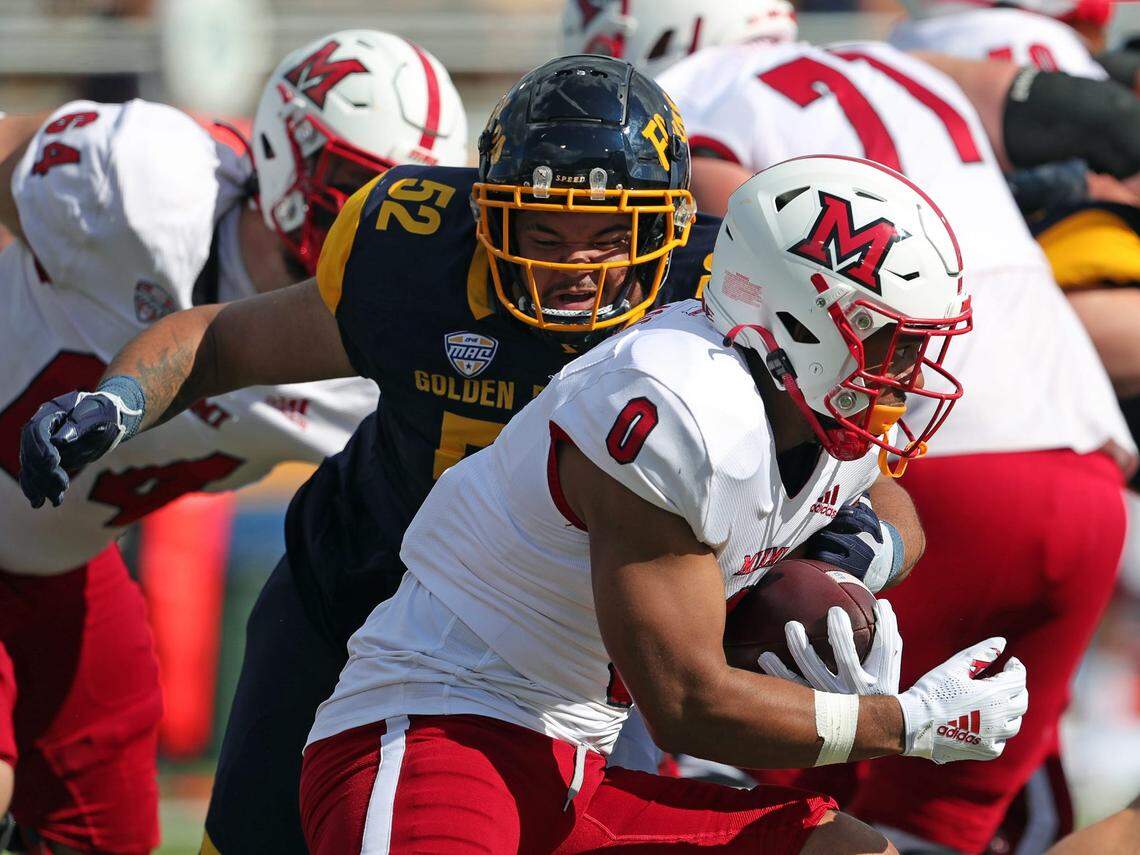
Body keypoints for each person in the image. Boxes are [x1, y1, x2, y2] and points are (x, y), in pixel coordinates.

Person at [16, 55, 721, 855]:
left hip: (571, 656)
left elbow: (846, 483)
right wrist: (122, 398)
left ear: (668, 228)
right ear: (487, 212)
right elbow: (222, 339)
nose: (572, 265)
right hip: (355, 596)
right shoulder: (416, 254)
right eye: (543, 228)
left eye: (608, 233)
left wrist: (844, 556)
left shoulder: (716, 304)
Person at [295, 154, 1030, 854]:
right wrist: (905, 722)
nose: (904, 374)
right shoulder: (675, 400)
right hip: (441, 729)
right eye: (888, 341)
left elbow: (887, 501)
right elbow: (687, 704)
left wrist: (854, 556)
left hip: (573, 766)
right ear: (800, 322)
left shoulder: (809, 396)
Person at [636, 16, 1134, 855]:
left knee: (750, 788)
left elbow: (722, 279)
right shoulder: (905, 69)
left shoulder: (690, 93)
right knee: (945, 830)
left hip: (922, 457)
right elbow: (1091, 116)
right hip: (1083, 460)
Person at [0, 29, 467, 855]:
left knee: (103, 833)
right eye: (362, 191)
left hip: (56, 560)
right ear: (290, 164)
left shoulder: (384, 354)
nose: (387, 226)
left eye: (416, 202)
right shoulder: (146, 181)